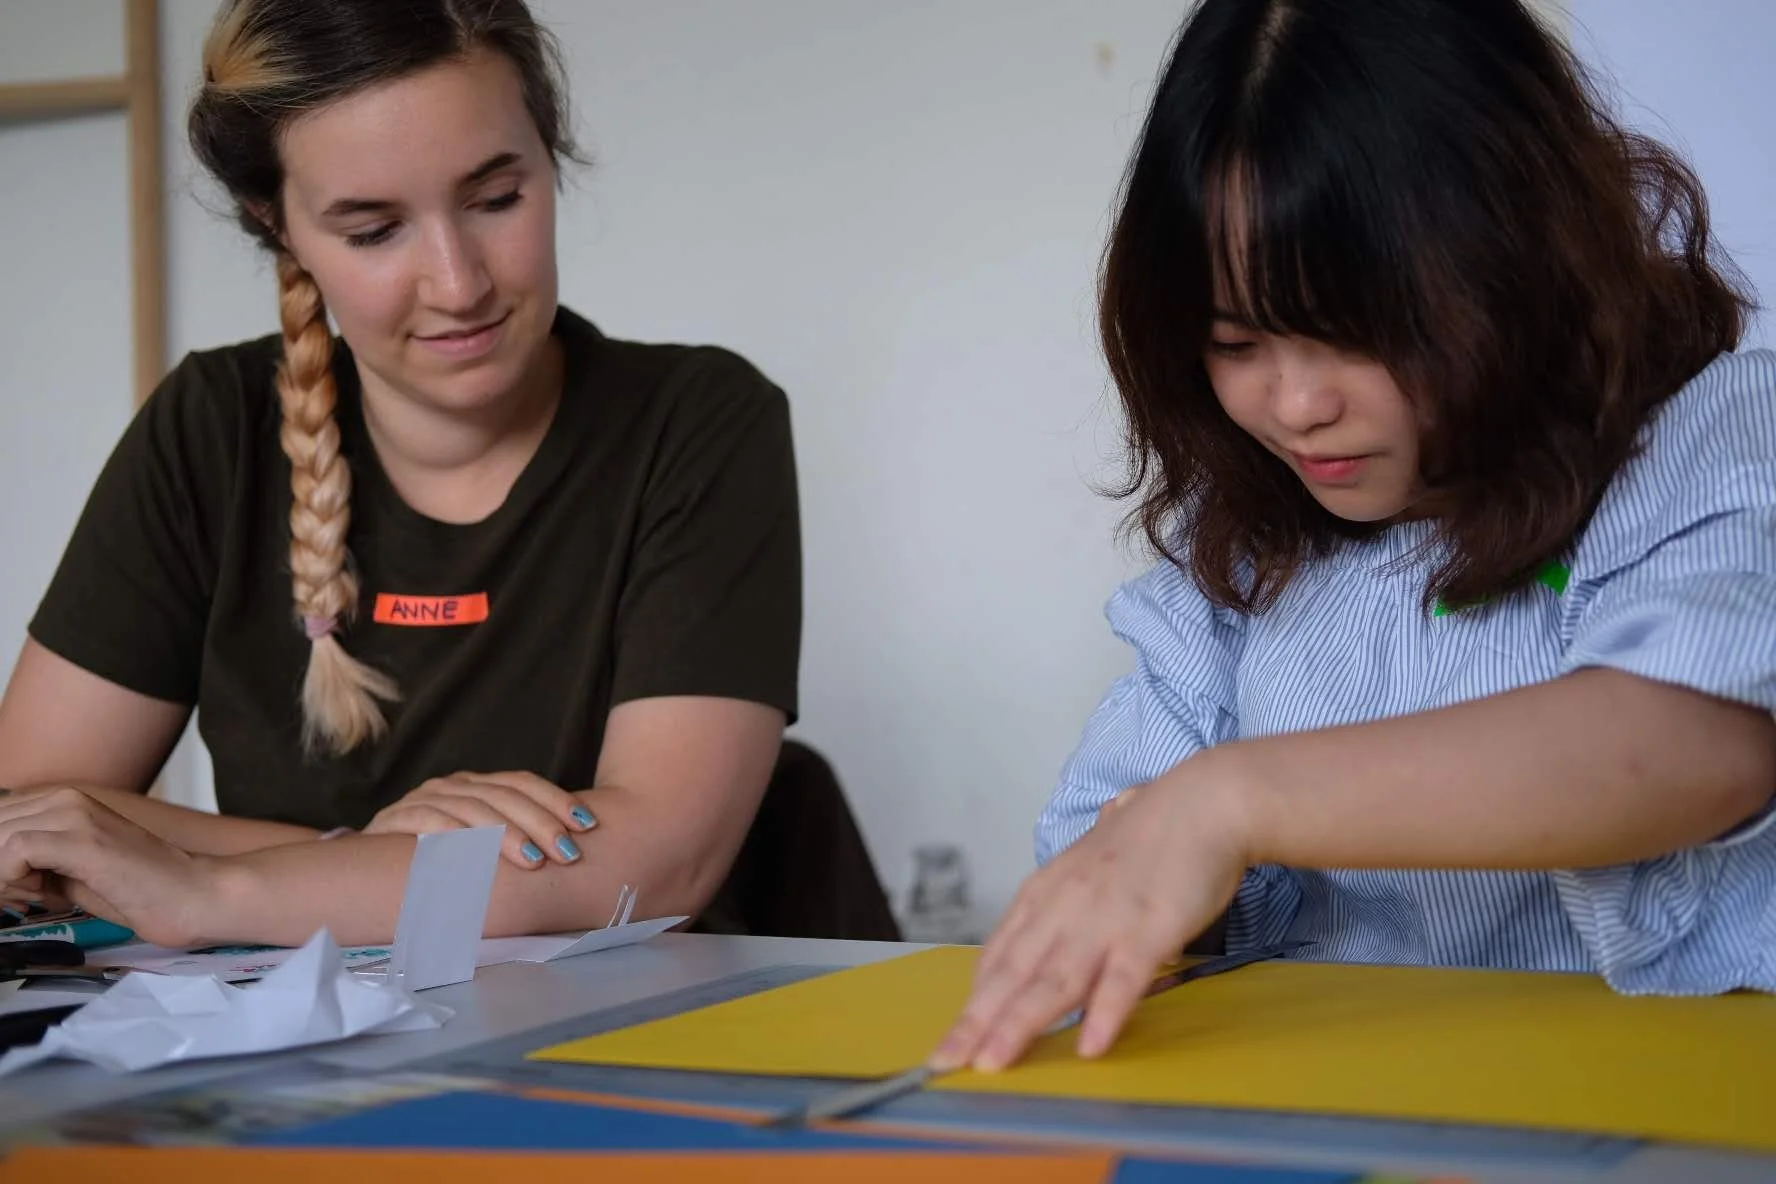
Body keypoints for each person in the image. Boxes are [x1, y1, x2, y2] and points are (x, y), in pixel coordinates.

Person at [937, 0, 1776, 1075]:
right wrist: (1144, 896)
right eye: (1235, 342)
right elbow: (1112, 846)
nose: (1294, 406)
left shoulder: (1713, 431)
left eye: (1360, 333)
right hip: (1326, 1099)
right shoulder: (1238, 552)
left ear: (1521, 257)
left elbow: (1688, 743)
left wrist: (1231, 800)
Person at [0, 0, 801, 950]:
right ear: (280, 227)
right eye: (375, 230)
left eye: (497, 199)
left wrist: (213, 892)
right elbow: (27, 821)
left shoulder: (700, 419)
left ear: (550, 158)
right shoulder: (211, 426)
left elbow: (656, 866)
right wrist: (362, 851)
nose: (459, 283)